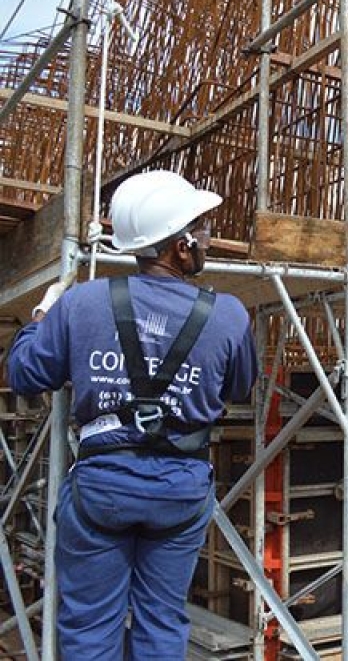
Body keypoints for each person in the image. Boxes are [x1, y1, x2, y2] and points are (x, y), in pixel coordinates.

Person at [7, 170, 258, 660]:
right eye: (202, 229)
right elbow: (239, 386)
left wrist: (39, 323)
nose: (208, 238)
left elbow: (23, 373)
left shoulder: (83, 303)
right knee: (162, 622)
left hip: (103, 490)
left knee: (88, 628)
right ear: (180, 247)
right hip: (179, 492)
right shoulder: (227, 315)